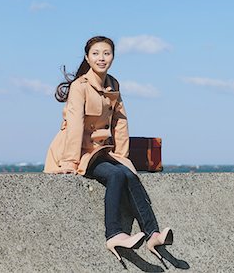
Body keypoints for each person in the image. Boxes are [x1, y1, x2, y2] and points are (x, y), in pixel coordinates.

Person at [43, 36, 173, 268]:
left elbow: (120, 123)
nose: (101, 58)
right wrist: (70, 162)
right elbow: (74, 125)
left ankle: (153, 235)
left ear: (113, 57)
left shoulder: (113, 84)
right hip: (77, 151)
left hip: (101, 150)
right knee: (115, 175)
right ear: (87, 57)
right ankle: (114, 235)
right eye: (96, 53)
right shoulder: (80, 87)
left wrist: (123, 157)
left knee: (128, 174)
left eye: (106, 53)